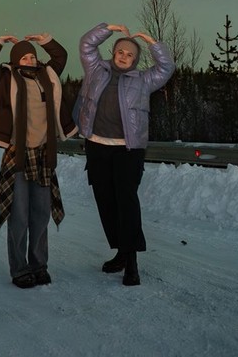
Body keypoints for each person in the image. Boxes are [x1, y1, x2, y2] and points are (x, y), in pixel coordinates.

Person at [73, 22, 175, 286]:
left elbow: (166, 67)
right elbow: (86, 44)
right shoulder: (96, 69)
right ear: (114, 51)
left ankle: (132, 263)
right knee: (106, 203)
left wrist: (153, 44)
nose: (124, 56)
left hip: (127, 150)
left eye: (130, 54)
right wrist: (106, 28)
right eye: (120, 51)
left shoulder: (143, 80)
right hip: (96, 145)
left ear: (135, 59)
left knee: (127, 203)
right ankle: (120, 252)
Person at [0, 32, 77, 288]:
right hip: (18, 155)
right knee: (19, 215)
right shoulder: (5, 78)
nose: (30, 59)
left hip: (44, 155)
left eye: (33, 55)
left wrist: (46, 40)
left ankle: (39, 265)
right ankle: (20, 269)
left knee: (41, 214)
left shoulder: (48, 76)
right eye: (24, 56)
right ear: (15, 61)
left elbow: (61, 56)